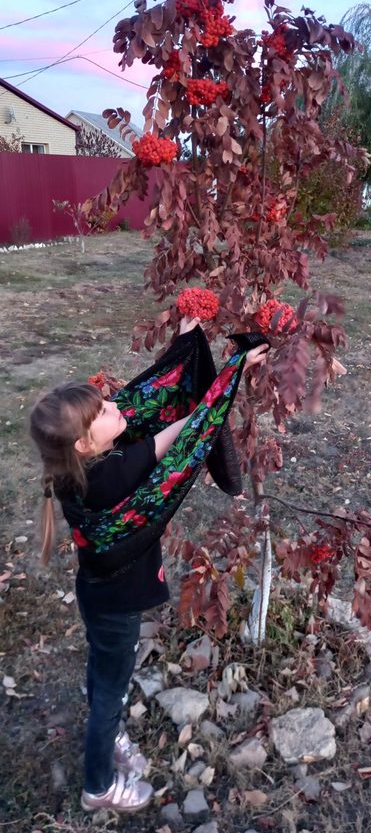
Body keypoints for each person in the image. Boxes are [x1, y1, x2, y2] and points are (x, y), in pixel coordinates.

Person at [29, 317, 268, 814]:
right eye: (107, 413)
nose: (119, 407)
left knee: (102, 668)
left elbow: (145, 402)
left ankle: (106, 720)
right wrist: (232, 369)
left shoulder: (78, 471)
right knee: (112, 690)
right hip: (118, 604)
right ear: (83, 444)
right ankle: (99, 785)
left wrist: (186, 342)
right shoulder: (111, 476)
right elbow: (187, 431)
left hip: (97, 596)